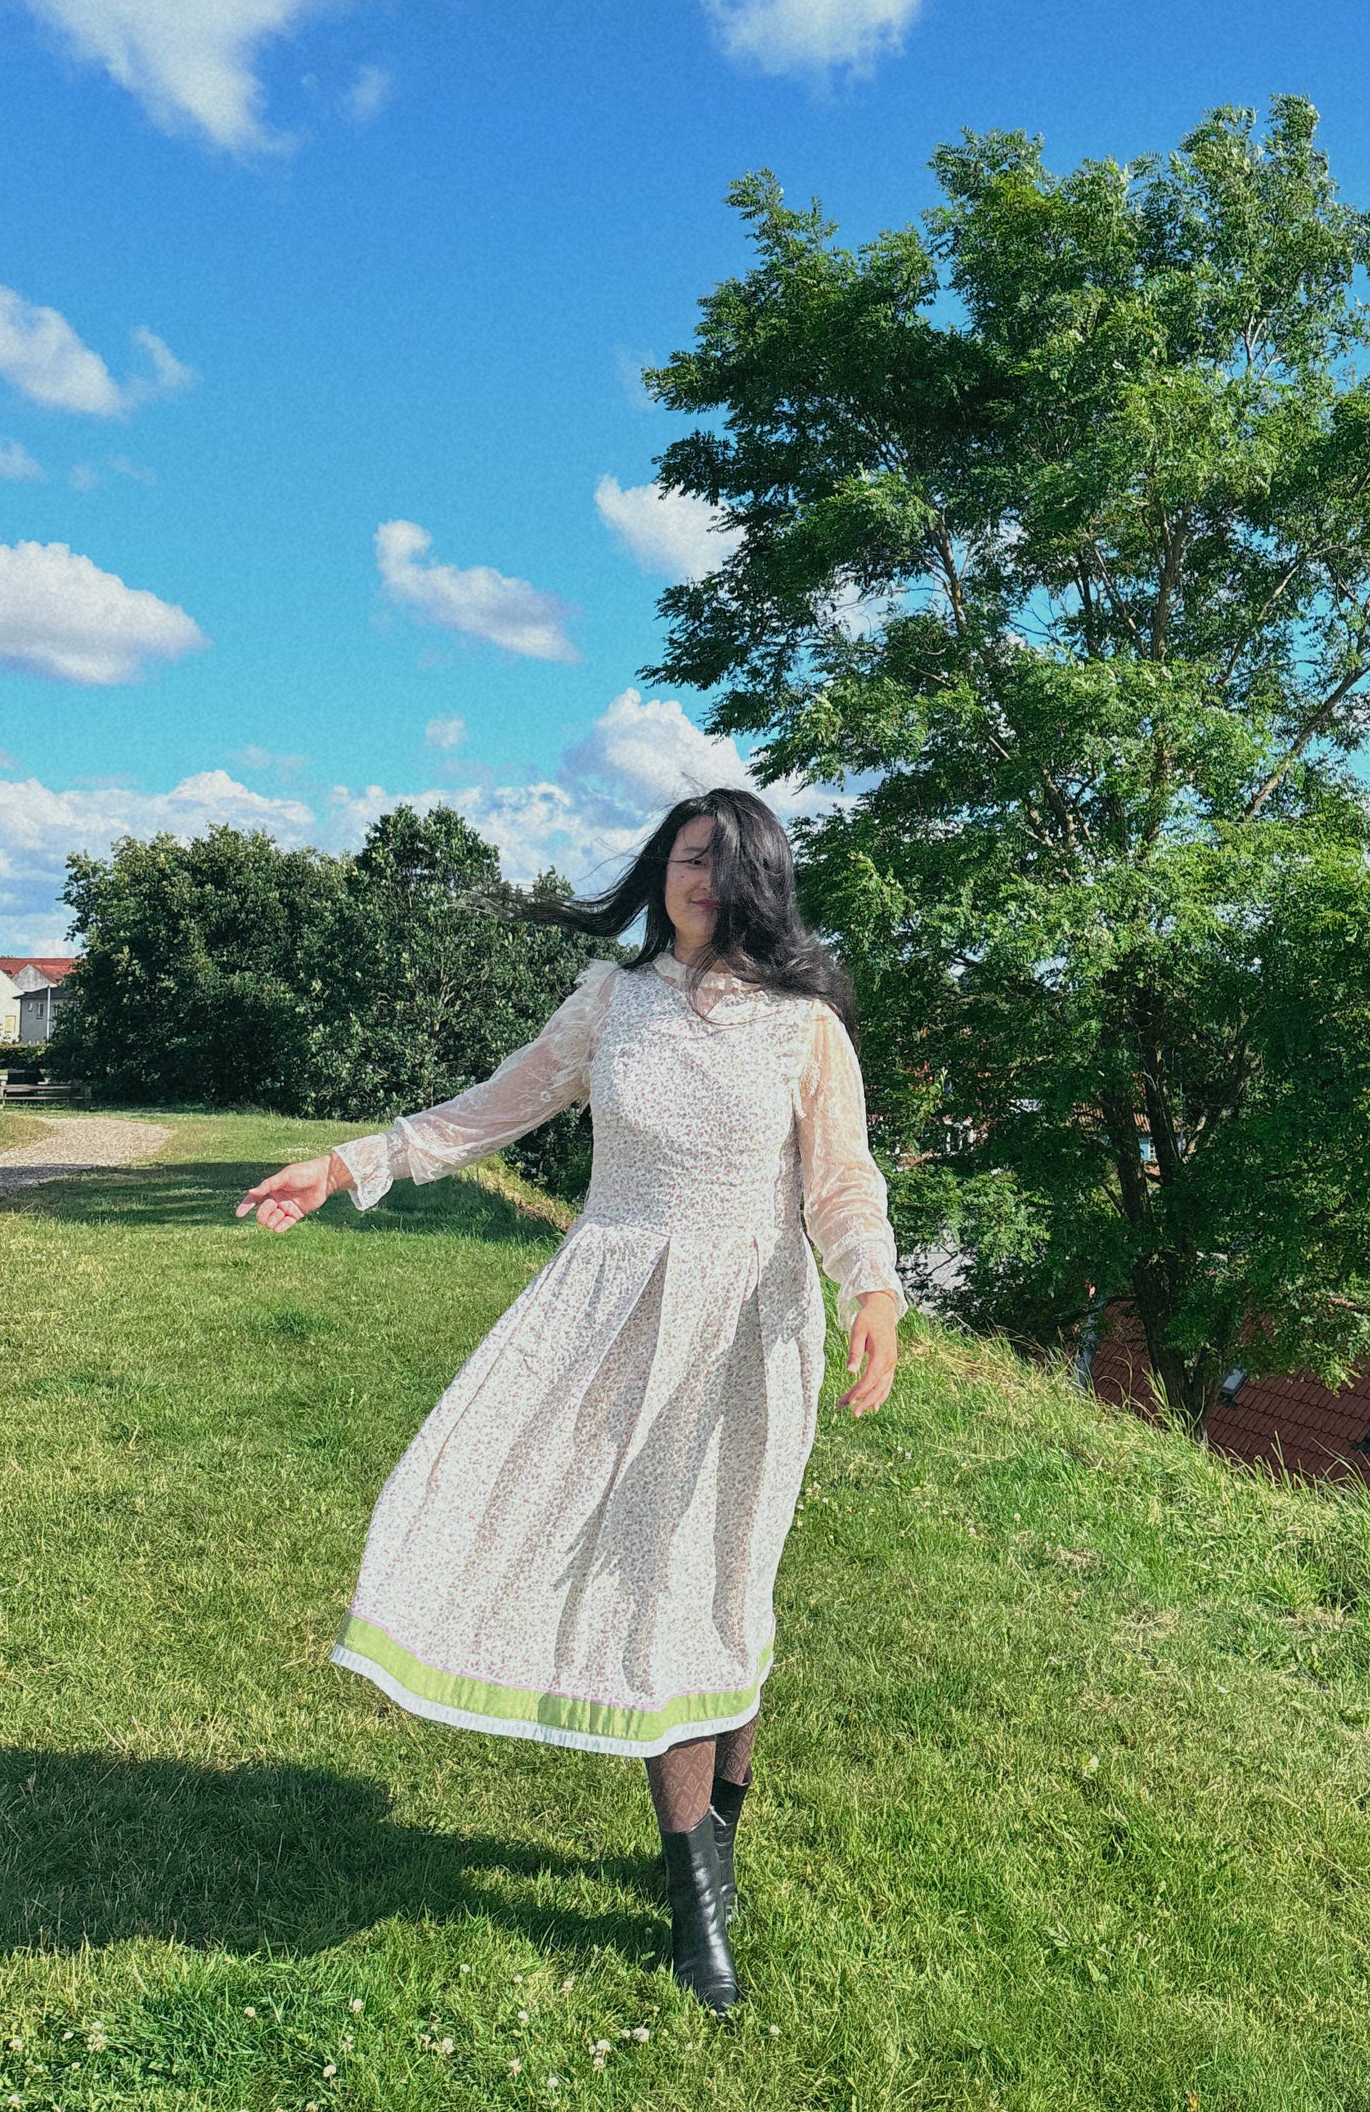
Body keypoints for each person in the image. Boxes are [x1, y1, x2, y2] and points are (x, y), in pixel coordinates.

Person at [236, 789, 902, 2014]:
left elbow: (840, 1182)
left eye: (725, 860)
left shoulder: (803, 1028)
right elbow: (486, 1111)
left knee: (724, 1585)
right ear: (659, 870)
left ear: (762, 881)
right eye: (684, 856)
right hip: (606, 1317)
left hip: (749, 1331)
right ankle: (694, 1891)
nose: (701, 877)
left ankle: (716, 1844)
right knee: (645, 1587)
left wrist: (874, 1292)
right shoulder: (612, 1003)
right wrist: (343, 1165)